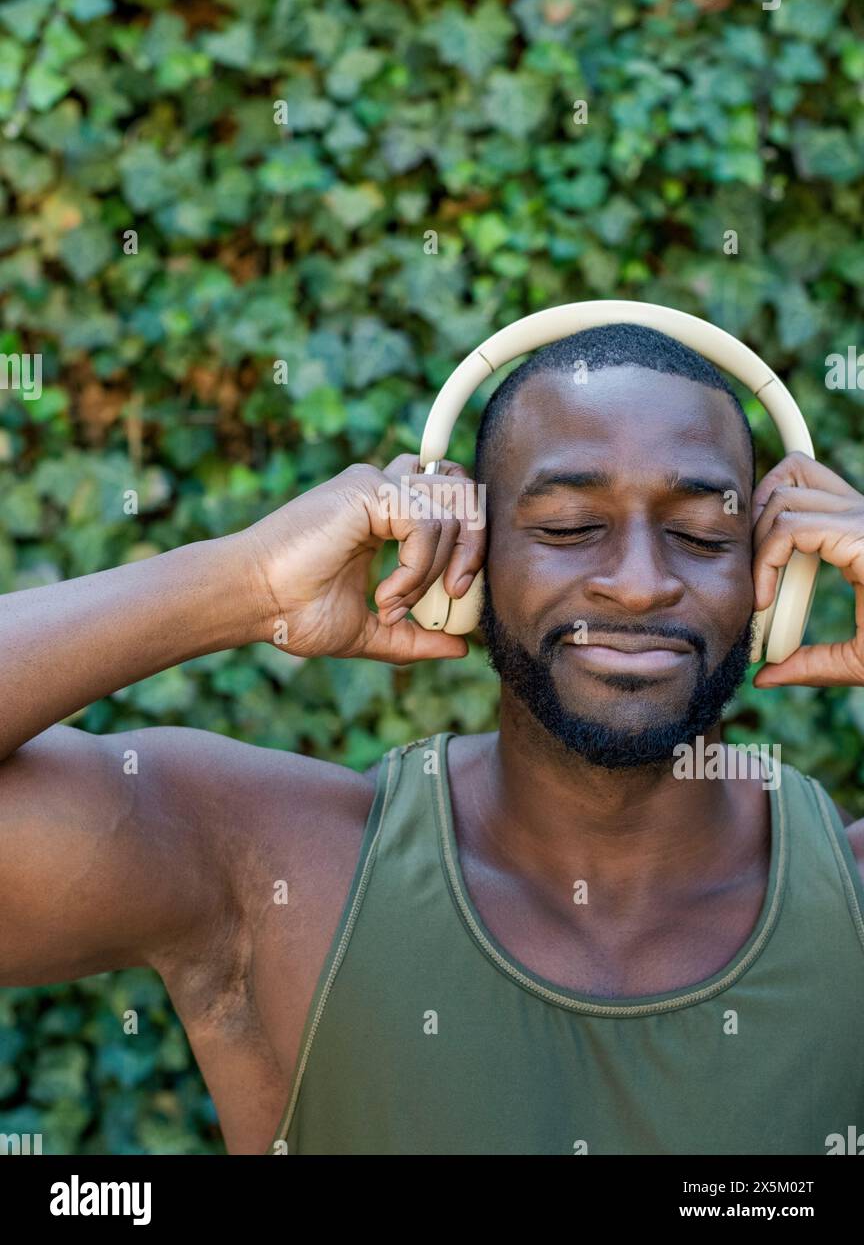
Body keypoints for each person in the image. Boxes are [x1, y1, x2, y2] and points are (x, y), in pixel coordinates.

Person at [2, 324, 863, 1155]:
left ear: (774, 578)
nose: (638, 584)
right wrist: (254, 582)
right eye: (567, 528)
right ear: (470, 557)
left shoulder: (847, 898)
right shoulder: (275, 869)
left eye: (701, 535)